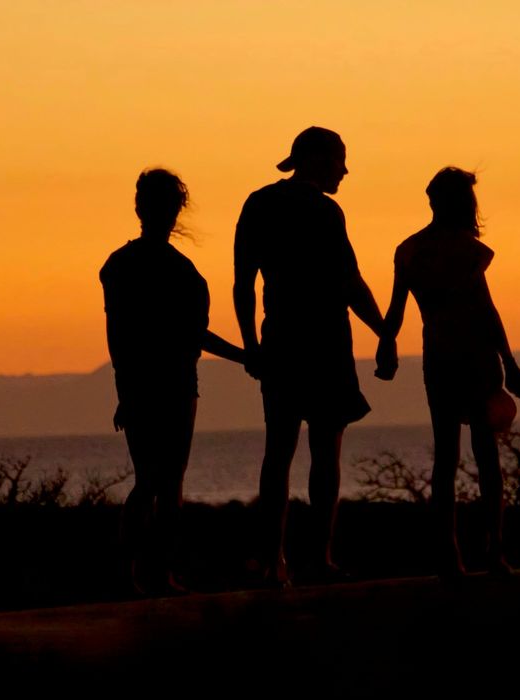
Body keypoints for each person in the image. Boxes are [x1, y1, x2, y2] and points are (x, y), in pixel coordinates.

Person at [233, 127, 384, 586]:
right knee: (324, 453)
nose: (345, 170)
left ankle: (273, 560)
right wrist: (384, 331)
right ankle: (319, 558)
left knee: (277, 453)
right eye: (340, 160)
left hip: (279, 341)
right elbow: (350, 282)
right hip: (324, 344)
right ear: (317, 160)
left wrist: (251, 347)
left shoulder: (258, 204)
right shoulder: (324, 211)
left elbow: (243, 284)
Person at [376, 167, 520, 578]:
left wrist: (386, 345)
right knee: (486, 455)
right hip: (475, 358)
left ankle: (451, 553)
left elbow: (396, 310)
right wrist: (510, 362)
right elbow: (486, 312)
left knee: (447, 457)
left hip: (438, 358)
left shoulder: (408, 250)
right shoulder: (469, 250)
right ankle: (494, 550)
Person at [100, 168, 244, 595]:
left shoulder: (124, 265)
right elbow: (189, 334)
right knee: (163, 481)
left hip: (155, 383)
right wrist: (246, 356)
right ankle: (150, 572)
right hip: (170, 384)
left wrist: (124, 389)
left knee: (154, 480)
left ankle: (144, 572)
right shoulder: (174, 270)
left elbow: (119, 335)